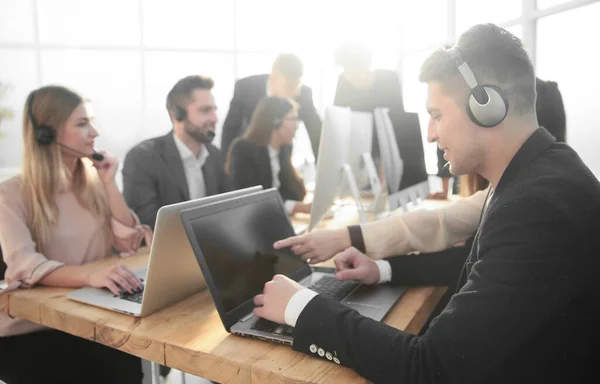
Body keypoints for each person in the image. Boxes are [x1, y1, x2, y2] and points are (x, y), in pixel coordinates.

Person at [253, 24, 600, 382]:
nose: (430, 134)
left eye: (436, 115)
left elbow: (431, 369)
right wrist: (384, 270)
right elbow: (488, 269)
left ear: (486, 106)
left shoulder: (536, 208)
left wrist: (304, 308)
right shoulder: (541, 174)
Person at [0, 86, 151, 383]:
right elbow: (24, 266)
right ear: (47, 133)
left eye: (90, 121)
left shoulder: (92, 184)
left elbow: (129, 243)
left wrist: (109, 184)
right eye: (82, 124)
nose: (94, 132)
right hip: (34, 329)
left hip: (91, 317)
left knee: (128, 369)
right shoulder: (11, 194)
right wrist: (89, 276)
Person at [122, 75, 231, 229]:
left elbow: (228, 211)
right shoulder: (142, 158)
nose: (214, 118)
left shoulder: (215, 156)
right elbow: (148, 222)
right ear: (177, 114)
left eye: (214, 110)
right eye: (205, 110)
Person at [220, 53, 322, 158]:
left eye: (297, 84)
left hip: (283, 159)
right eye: (289, 86)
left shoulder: (303, 94)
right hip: (249, 157)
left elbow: (317, 135)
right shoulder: (245, 89)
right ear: (273, 79)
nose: (295, 92)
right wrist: (226, 168)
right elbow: (230, 130)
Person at [226, 97, 310, 215]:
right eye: (293, 119)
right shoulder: (243, 149)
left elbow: (296, 193)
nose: (297, 125)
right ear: (276, 122)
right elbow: (251, 200)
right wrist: (296, 207)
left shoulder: (283, 149)